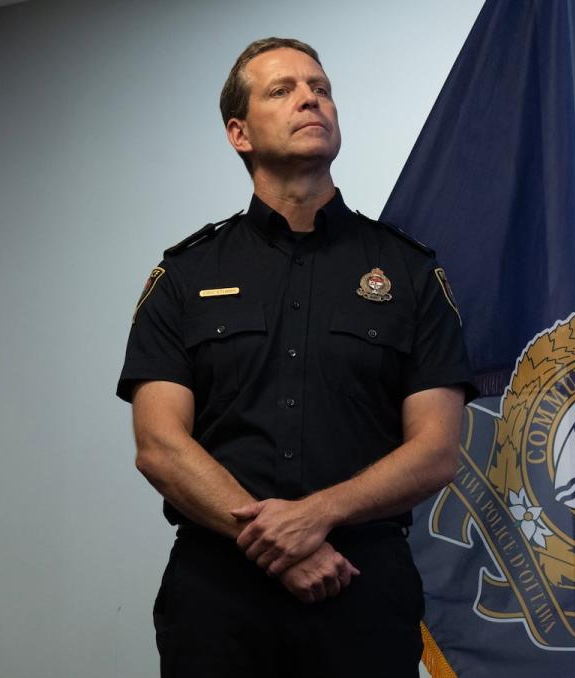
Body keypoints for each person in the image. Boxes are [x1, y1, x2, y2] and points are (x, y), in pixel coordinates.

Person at [116, 37, 475, 677]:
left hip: (360, 586)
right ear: (239, 132)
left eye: (321, 88)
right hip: (217, 599)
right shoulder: (184, 275)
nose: (310, 98)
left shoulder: (411, 273)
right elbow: (160, 446)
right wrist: (282, 549)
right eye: (282, 90)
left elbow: (436, 450)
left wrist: (315, 517)